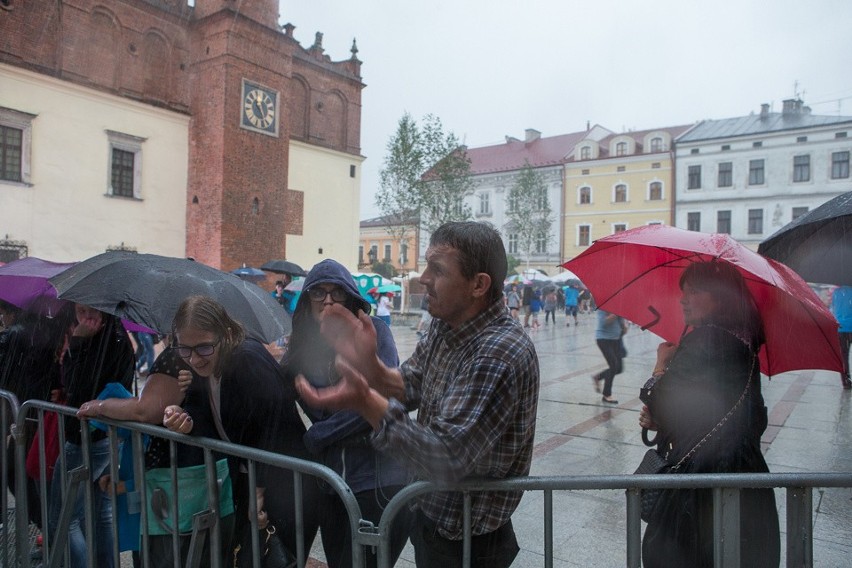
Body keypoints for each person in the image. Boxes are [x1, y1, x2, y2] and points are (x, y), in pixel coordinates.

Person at [297, 221, 540, 567]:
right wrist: (373, 369)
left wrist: (365, 400)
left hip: (470, 538)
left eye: (437, 269)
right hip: (432, 516)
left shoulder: (497, 352)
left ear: (478, 284)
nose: (423, 278)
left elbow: (444, 458)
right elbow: (412, 382)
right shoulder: (449, 324)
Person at [637, 261, 780, 567]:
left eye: (695, 292)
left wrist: (661, 363)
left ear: (720, 298)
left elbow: (663, 399)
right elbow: (753, 419)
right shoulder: (744, 341)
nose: (683, 299)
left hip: (701, 481)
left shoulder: (706, 339)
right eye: (683, 292)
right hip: (746, 477)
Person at [161, 296, 322, 560]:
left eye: (203, 348)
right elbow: (202, 412)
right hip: (255, 479)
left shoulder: (247, 359)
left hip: (286, 482)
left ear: (225, 334)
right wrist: (181, 417)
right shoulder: (208, 362)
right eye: (184, 349)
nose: (194, 358)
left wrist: (258, 490)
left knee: (278, 558)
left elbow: (271, 425)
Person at [280, 259, 411, 568]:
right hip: (333, 485)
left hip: (378, 480)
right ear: (307, 299)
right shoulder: (301, 349)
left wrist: (318, 435)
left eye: (337, 292)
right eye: (319, 292)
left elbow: (382, 396)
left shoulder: (374, 331)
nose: (328, 300)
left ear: (351, 297)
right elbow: (273, 395)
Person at [76, 346, 196, 564]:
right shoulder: (188, 360)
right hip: (168, 490)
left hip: (165, 489)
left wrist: (102, 407)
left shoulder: (178, 356)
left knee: (155, 552)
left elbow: (144, 410)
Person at [48, 304, 135, 568]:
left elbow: (77, 388)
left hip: (87, 436)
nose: (86, 317)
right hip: (109, 434)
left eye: (93, 311)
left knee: (63, 517)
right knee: (101, 512)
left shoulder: (99, 341)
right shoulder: (118, 335)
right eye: (81, 310)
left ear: (104, 311)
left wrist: (77, 343)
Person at [592, 309, 625, 404]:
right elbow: (604, 322)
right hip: (603, 339)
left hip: (616, 339)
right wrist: (616, 313)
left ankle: (598, 377)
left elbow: (621, 325)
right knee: (613, 365)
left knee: (619, 368)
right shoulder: (604, 307)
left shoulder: (619, 306)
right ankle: (607, 394)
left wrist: (623, 327)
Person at [829, 285, 852, 389]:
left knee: (844, 355)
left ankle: (846, 381)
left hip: (840, 327)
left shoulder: (835, 292)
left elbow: (833, 309)